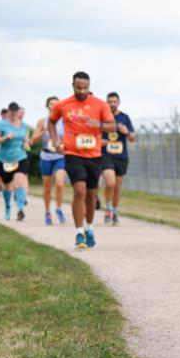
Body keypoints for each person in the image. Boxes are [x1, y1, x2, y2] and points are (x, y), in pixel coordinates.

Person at [49, 71, 116, 249]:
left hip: (94, 155)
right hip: (73, 154)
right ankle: (79, 233)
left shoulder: (100, 104)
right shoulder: (63, 105)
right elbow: (51, 121)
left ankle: (89, 228)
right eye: (79, 87)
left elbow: (113, 126)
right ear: (73, 85)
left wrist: (99, 125)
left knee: (91, 195)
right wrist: (56, 142)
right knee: (79, 190)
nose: (82, 91)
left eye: (85, 88)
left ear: (89, 86)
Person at [100, 91, 136, 226]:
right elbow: (95, 135)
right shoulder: (102, 117)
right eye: (110, 102)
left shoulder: (125, 118)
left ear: (118, 103)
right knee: (110, 183)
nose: (112, 104)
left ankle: (115, 211)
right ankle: (108, 207)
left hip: (121, 156)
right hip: (106, 155)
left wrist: (127, 132)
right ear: (106, 103)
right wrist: (101, 141)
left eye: (114, 102)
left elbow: (133, 138)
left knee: (117, 186)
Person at [0, 101, 31, 221]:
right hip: (5, 159)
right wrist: (5, 138)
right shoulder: (1, 125)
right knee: (7, 186)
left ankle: (20, 209)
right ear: (9, 112)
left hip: (20, 157)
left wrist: (26, 144)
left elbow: (27, 142)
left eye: (16, 111)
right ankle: (8, 207)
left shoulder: (25, 126)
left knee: (19, 181)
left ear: (19, 112)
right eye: (12, 112)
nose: (14, 114)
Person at [32, 97, 68, 226]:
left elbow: (70, 136)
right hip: (46, 156)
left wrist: (64, 142)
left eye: (56, 104)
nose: (54, 106)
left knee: (59, 183)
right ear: (47, 106)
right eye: (51, 104)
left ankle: (58, 208)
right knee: (47, 187)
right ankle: (47, 212)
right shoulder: (42, 121)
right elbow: (33, 140)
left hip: (60, 156)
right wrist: (43, 132)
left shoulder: (64, 121)